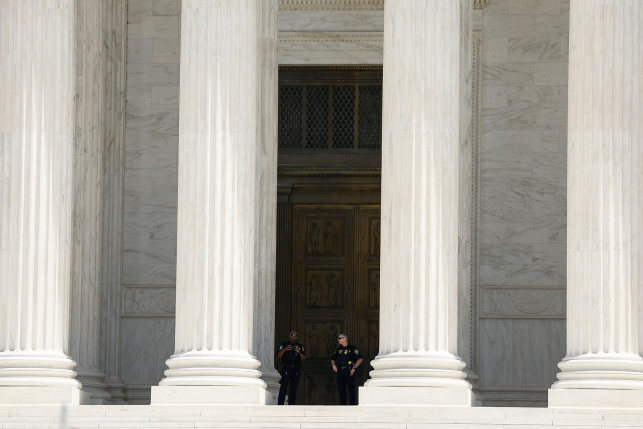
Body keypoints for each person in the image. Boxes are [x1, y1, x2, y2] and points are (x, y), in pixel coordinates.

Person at [331, 333, 363, 405]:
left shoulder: (352, 348)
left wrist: (354, 368)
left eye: (340, 338)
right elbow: (333, 359)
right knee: (341, 388)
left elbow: (360, 359)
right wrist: (333, 365)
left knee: (351, 388)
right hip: (340, 370)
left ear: (345, 338)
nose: (338, 340)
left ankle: (352, 404)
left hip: (348, 371)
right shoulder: (339, 349)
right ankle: (343, 404)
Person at [276, 331, 306, 405]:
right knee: (283, 387)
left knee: (293, 388)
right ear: (289, 335)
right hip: (286, 368)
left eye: (295, 335)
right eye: (292, 335)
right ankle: (280, 404)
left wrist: (299, 352)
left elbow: (304, 358)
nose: (293, 336)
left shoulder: (299, 346)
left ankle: (291, 405)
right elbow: (278, 355)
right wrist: (285, 349)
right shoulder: (284, 344)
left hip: (295, 369)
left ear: (297, 337)